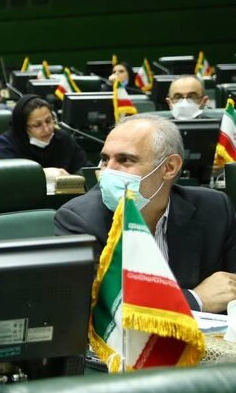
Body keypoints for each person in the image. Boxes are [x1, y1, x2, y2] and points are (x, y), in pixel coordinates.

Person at [55, 115, 236, 312]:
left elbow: (231, 287)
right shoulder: (79, 220)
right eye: (105, 159)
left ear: (169, 167)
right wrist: (196, 300)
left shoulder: (214, 209)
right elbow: (105, 309)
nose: (107, 171)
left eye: (125, 160)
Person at [0, 94, 88, 176]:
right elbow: (11, 177)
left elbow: (85, 170)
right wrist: (45, 174)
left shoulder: (62, 138)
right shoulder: (5, 144)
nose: (46, 129)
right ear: (23, 127)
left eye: (48, 121)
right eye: (37, 125)